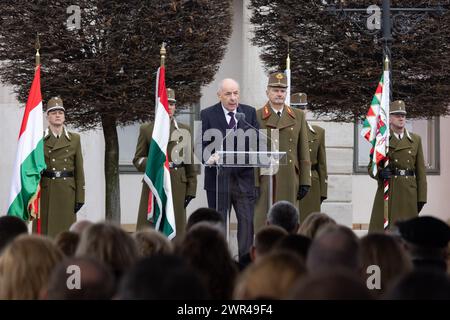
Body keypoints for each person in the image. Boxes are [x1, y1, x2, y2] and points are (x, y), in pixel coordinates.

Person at [200, 78, 259, 259]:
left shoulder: (248, 113)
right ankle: (219, 262)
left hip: (243, 181)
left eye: (236, 93)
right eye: (228, 94)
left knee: (247, 224)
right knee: (218, 225)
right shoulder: (207, 114)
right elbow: (199, 144)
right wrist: (208, 157)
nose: (233, 98)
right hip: (218, 181)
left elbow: (257, 142)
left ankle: (245, 263)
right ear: (219, 95)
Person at [134, 88, 197, 238]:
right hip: (154, 182)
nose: (169, 107)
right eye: (166, 103)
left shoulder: (184, 130)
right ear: (159, 106)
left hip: (177, 184)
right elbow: (138, 159)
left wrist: (191, 189)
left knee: (176, 228)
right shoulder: (147, 129)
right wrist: (154, 163)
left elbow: (189, 163)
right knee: (150, 228)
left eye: (172, 104)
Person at [254, 72, 311, 232]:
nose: (279, 94)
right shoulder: (257, 115)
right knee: (263, 222)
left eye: (282, 90)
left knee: (289, 222)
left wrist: (305, 180)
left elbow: (303, 149)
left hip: (289, 177)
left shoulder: (298, 115)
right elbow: (254, 150)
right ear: (267, 92)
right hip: (266, 178)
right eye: (275, 90)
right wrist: (254, 182)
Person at [368, 100, 427, 232]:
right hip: (389, 191)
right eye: (397, 115)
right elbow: (371, 167)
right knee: (384, 234)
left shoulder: (415, 140)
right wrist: (380, 173)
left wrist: (422, 197)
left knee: (409, 234)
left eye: (403, 115)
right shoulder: (382, 140)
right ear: (389, 118)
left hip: (409, 193)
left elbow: (421, 172)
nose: (401, 118)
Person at [36, 97, 85, 237]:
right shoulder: (39, 139)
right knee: (46, 235)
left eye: (60, 112)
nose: (57, 115)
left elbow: (79, 170)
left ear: (64, 116)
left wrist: (80, 197)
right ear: (47, 117)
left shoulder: (74, 138)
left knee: (66, 235)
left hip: (67, 192)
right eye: (53, 112)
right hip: (47, 191)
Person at [290, 93, 328, 221]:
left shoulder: (318, 132)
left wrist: (323, 191)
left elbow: (322, 165)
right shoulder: (284, 131)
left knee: (310, 224)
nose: (300, 111)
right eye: (296, 107)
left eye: (302, 107)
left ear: (307, 110)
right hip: (291, 178)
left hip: (312, 183)